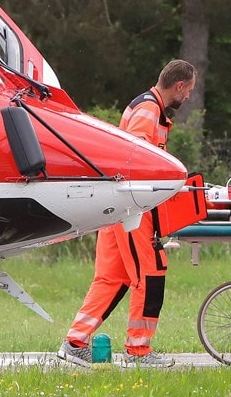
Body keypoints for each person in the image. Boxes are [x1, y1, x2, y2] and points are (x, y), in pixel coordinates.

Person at [57, 60, 197, 368]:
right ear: (179, 86)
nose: (188, 98)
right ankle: (139, 351)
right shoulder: (148, 111)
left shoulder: (148, 108)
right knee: (149, 274)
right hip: (132, 211)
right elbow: (136, 160)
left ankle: (75, 342)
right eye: (189, 91)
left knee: (112, 279)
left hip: (120, 209)